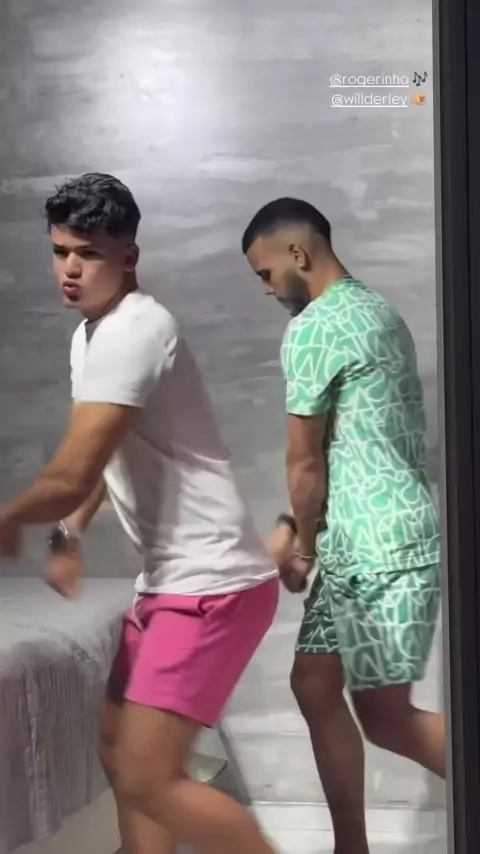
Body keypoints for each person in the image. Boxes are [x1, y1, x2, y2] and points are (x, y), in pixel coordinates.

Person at [0, 173, 280, 854]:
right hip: (170, 582)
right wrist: (68, 532)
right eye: (61, 251)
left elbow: (69, 474)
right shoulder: (91, 337)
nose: (70, 268)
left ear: (128, 256)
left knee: (149, 776)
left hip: (213, 585)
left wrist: (9, 519)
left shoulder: (136, 329)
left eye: (89, 253)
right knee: (115, 745)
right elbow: (100, 457)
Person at [243, 197, 445, 854]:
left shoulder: (315, 327)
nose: (267, 289)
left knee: (388, 720)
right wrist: (302, 530)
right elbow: (353, 444)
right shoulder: (378, 311)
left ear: (297, 253)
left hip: (374, 547)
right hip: (374, 538)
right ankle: (349, 848)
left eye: (266, 273)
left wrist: (301, 548)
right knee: (314, 683)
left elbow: (306, 460)